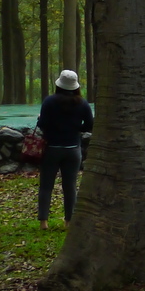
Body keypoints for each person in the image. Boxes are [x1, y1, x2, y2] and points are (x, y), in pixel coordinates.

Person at [36, 70, 93, 229]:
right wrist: (75, 128)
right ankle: (69, 221)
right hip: (73, 149)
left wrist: (41, 120)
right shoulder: (82, 103)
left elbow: (43, 125)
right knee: (70, 186)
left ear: (59, 84)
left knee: (46, 186)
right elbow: (89, 125)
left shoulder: (49, 101)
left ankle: (43, 221)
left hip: (51, 149)